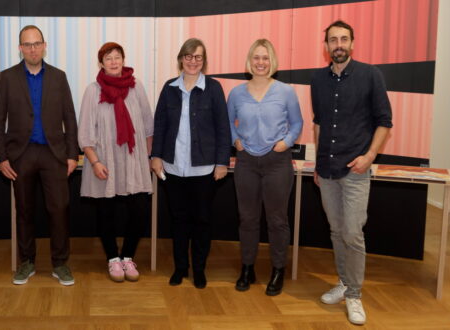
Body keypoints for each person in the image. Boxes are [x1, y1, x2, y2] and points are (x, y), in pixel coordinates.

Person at [311, 20, 392, 325]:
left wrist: (369, 156)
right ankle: (344, 283)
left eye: (344, 39)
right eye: (333, 40)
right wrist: (318, 163)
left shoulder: (371, 75)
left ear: (352, 43)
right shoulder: (317, 80)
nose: (338, 44)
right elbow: (318, 124)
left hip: (356, 169)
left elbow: (385, 121)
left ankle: (355, 294)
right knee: (335, 230)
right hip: (327, 169)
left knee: (352, 233)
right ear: (326, 46)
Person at [0, 25, 79, 286]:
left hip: (54, 154)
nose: (32, 48)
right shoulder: (7, 78)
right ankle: (26, 262)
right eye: (27, 44)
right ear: (20, 48)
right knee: (25, 210)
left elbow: (70, 119)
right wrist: (1, 157)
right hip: (21, 153)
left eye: (36, 43)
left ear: (44, 45)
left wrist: (72, 154)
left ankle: (60, 263)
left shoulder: (59, 77)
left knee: (59, 209)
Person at [150, 38, 230, 289]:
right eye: (188, 56)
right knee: (178, 220)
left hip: (204, 168)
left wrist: (221, 162)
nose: (193, 61)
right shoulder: (169, 88)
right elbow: (160, 124)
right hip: (173, 168)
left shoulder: (214, 88)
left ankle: (199, 269)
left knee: (202, 220)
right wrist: (155, 156)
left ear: (203, 61)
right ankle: (180, 268)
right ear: (181, 59)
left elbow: (222, 128)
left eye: (198, 57)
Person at [228, 39, 303, 296]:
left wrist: (287, 143)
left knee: (277, 220)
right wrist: (234, 139)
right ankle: (247, 268)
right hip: (246, 162)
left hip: (277, 163)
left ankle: (278, 270)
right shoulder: (237, 93)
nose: (261, 62)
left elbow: (297, 123)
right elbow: (227, 123)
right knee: (248, 218)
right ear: (250, 61)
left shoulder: (286, 92)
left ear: (272, 62)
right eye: (257, 57)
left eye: (266, 58)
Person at [78, 42, 153, 282]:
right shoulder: (93, 90)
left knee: (139, 211)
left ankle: (128, 256)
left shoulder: (136, 86)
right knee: (106, 212)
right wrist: (95, 161)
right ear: (101, 63)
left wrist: (147, 158)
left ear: (123, 59)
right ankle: (112, 258)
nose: (113, 61)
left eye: (117, 57)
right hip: (105, 161)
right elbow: (85, 132)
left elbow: (148, 125)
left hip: (133, 161)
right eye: (108, 58)